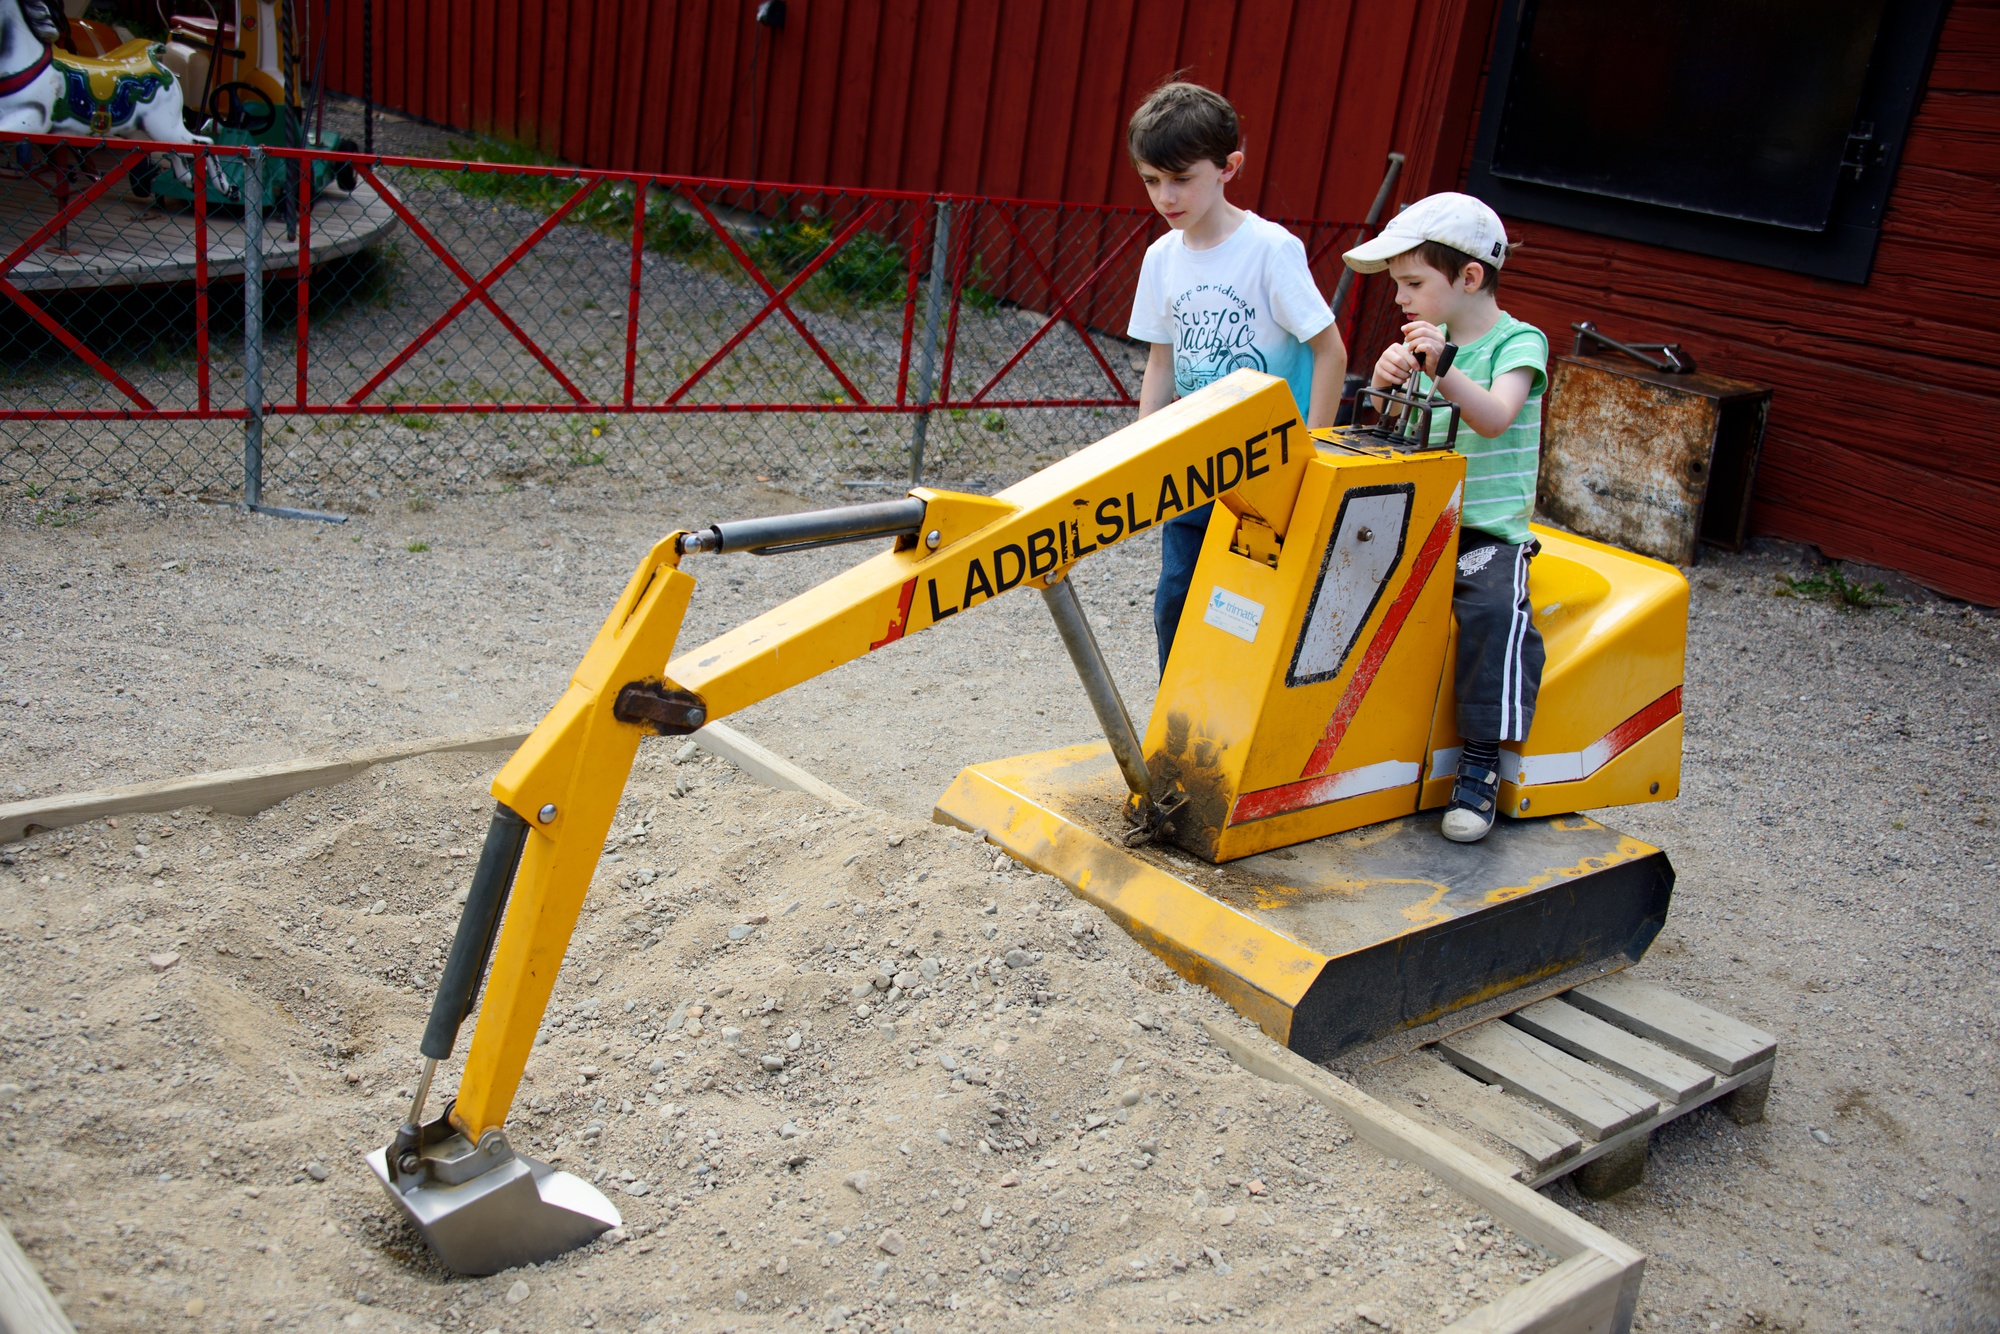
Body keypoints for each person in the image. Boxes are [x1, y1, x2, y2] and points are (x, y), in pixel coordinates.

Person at [1342, 192, 1549, 844]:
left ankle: (1480, 763)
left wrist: (1444, 368)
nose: (1399, 298)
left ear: (1470, 276)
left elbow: (1493, 417)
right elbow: (1401, 428)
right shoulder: (1428, 346)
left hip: (1485, 529)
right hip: (1422, 518)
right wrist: (1390, 387)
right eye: (1397, 285)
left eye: (1413, 283)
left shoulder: (1519, 343)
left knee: (1493, 613)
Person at [1125, 81, 1347, 674]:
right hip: (1195, 465)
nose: (1165, 196)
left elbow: (1330, 351)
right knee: (1176, 600)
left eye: (1181, 178)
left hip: (1271, 468)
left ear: (1229, 167)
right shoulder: (1161, 258)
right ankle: (1177, 714)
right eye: (1151, 180)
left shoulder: (1270, 250)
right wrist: (1144, 448)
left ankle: (1241, 717)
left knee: (1248, 609)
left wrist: (1314, 450)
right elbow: (1161, 362)